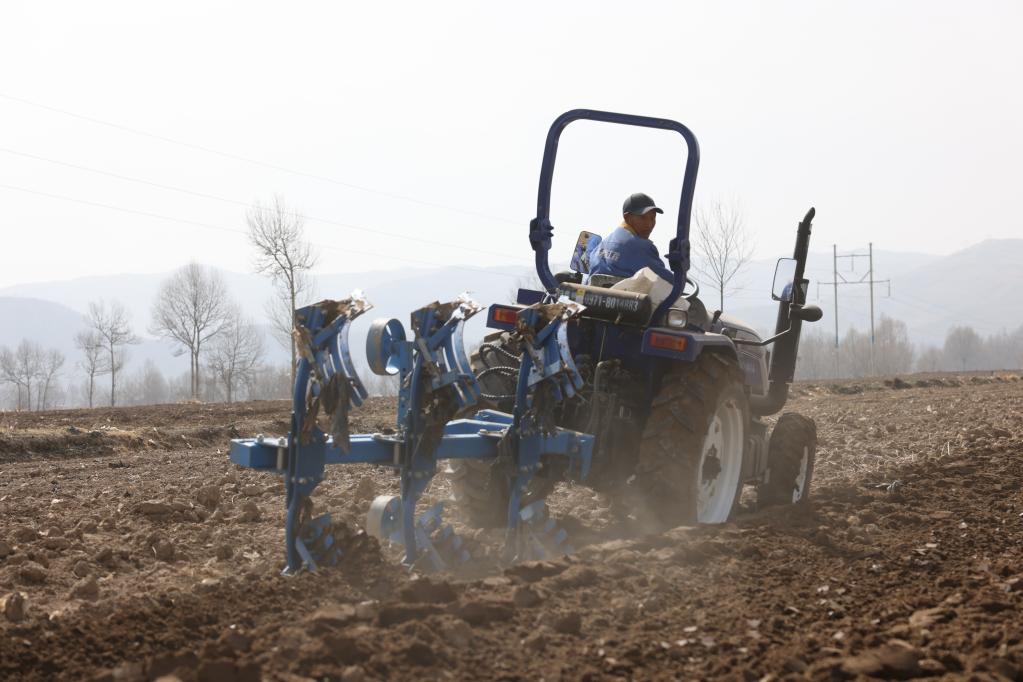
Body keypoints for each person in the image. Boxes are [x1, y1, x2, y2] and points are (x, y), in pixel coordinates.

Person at [589, 193, 675, 282]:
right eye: (643, 218)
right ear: (627, 217)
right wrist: (679, 273)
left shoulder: (601, 246)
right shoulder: (641, 248)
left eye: (652, 218)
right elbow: (665, 281)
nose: (649, 224)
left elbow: (648, 273)